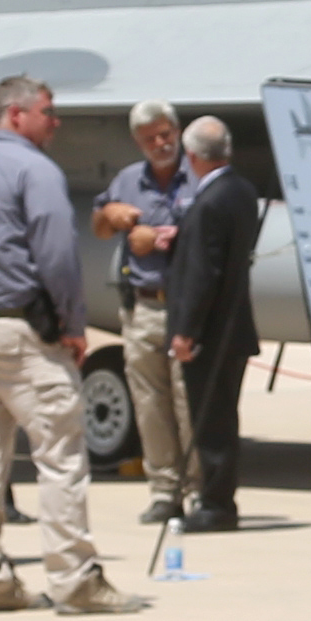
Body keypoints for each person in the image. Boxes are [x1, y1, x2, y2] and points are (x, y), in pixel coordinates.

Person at [0, 74, 142, 613]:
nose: (56, 121)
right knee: (61, 453)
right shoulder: (34, 170)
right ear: (16, 115)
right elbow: (57, 254)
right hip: (22, 333)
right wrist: (72, 324)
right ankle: (74, 580)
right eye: (48, 110)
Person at [93, 99, 197, 524]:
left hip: (188, 308)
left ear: (178, 131)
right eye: (150, 137)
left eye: (166, 133)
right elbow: (98, 228)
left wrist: (160, 239)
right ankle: (164, 490)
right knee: (150, 405)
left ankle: (199, 489)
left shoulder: (200, 176)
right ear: (138, 141)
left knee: (188, 401)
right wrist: (111, 214)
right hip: (144, 307)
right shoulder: (127, 181)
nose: (160, 142)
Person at [163, 116, 263, 531]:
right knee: (223, 415)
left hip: (211, 334)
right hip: (235, 328)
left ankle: (216, 504)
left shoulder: (209, 202)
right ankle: (218, 497)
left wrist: (185, 331)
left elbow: (203, 274)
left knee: (211, 420)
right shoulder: (240, 191)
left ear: (192, 156)